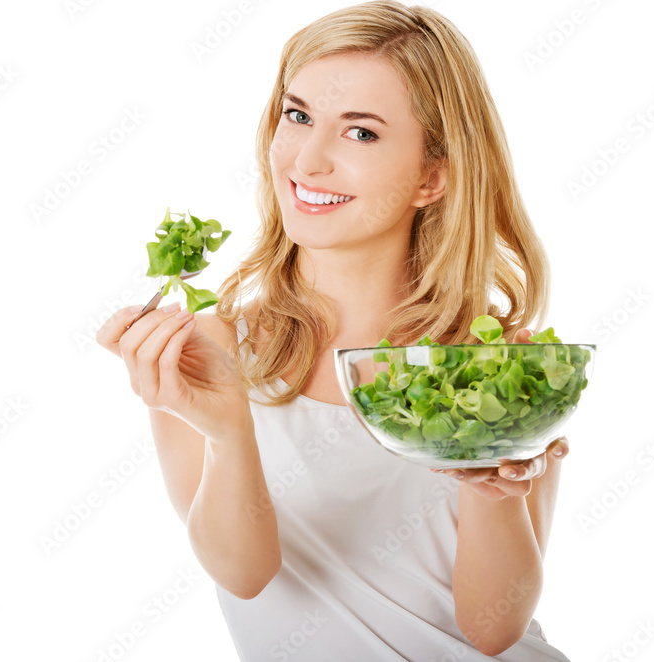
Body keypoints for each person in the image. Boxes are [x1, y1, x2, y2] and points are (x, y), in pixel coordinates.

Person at [96, 1, 572, 659]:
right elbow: (245, 574)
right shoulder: (211, 352)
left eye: (361, 133)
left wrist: (495, 492)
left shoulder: (492, 362)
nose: (307, 160)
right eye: (298, 117)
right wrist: (230, 430)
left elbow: (493, 630)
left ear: (432, 177)